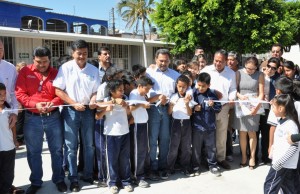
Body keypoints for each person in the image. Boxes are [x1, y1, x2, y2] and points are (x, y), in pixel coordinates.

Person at [15, 46, 66, 194]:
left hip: (53, 117)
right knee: (33, 152)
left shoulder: (56, 73)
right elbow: (20, 93)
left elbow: (61, 93)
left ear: (49, 60)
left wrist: (54, 103)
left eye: (45, 62)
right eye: (38, 62)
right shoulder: (25, 72)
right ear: (33, 59)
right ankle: (36, 182)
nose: (42, 65)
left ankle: (59, 179)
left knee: (56, 150)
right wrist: (34, 104)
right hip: (32, 119)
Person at [53, 39, 100, 192]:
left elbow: (96, 90)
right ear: (72, 53)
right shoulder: (65, 68)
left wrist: (93, 99)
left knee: (89, 145)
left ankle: (87, 175)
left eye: (85, 53)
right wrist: (73, 103)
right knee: (71, 147)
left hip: (88, 111)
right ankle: (73, 178)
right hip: (71, 111)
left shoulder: (93, 69)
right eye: (79, 53)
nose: (82, 56)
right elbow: (58, 90)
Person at [146, 48, 180, 180]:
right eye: (161, 61)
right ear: (155, 59)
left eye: (166, 61)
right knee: (153, 139)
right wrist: (157, 97)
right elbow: (144, 90)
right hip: (153, 108)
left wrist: (170, 100)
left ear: (169, 60)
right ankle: (152, 168)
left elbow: (178, 93)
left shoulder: (175, 75)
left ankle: (163, 167)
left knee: (165, 139)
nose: (163, 63)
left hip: (168, 109)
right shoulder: (149, 73)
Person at [201, 49, 237, 170]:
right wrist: (213, 93)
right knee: (208, 134)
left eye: (221, 61)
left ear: (226, 61)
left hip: (223, 107)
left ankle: (221, 158)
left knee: (222, 134)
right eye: (216, 61)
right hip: (208, 107)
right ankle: (208, 159)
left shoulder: (231, 73)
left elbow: (233, 89)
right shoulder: (206, 70)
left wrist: (232, 98)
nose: (218, 63)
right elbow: (199, 86)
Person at [96, 79, 133, 194]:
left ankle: (126, 181)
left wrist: (126, 107)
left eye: (123, 89)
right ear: (112, 91)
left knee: (125, 159)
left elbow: (129, 114)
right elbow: (97, 116)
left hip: (124, 132)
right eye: (119, 90)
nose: (122, 92)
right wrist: (106, 109)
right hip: (111, 134)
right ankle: (112, 183)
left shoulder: (125, 99)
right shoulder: (105, 101)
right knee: (112, 160)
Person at [264, 94, 300, 194]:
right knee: (288, 189)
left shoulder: (290, 125)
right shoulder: (281, 122)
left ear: (280, 108)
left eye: (273, 107)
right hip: (282, 163)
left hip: (281, 164)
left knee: (269, 186)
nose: (272, 108)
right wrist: (273, 149)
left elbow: (294, 147)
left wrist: (279, 163)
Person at [233, 57, 264, 169]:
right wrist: (239, 95)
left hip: (253, 106)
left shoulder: (260, 75)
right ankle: (244, 157)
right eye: (248, 68)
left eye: (252, 69)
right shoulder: (238, 73)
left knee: (252, 132)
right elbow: (234, 89)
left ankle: (252, 157)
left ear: (256, 67)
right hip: (241, 105)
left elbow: (261, 93)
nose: (250, 71)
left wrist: (256, 107)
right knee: (241, 132)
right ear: (244, 64)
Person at [192, 72, 222, 176]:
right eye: (199, 85)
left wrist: (213, 105)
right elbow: (188, 107)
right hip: (197, 125)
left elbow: (219, 108)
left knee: (211, 147)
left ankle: (212, 165)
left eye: (203, 86)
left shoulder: (212, 94)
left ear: (209, 85)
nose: (200, 88)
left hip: (210, 126)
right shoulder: (194, 93)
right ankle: (195, 166)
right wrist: (194, 108)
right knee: (196, 147)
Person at [128, 76, 154, 188]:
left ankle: (144, 172)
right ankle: (137, 176)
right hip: (137, 125)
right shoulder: (134, 93)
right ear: (140, 86)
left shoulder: (142, 95)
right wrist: (142, 105)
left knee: (144, 150)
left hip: (143, 123)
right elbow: (131, 108)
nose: (147, 91)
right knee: (138, 151)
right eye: (146, 89)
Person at [166, 75, 194, 177]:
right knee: (173, 146)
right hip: (176, 123)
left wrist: (187, 104)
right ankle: (170, 168)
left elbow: (190, 114)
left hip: (186, 123)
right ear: (176, 86)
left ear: (187, 87)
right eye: (179, 86)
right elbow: (169, 113)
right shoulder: (173, 96)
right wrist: (171, 106)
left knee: (186, 147)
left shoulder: (189, 97)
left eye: (184, 87)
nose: (181, 89)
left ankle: (185, 167)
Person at [0, 83, 23, 194]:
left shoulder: (9, 110)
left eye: (4, 94)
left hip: (9, 147)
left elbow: (13, 127)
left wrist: (15, 140)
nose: (2, 97)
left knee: (8, 173)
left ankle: (7, 189)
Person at [226, 51, 240, 162]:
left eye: (232, 59)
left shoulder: (239, 72)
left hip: (240, 104)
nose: (230, 62)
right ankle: (228, 152)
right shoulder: (225, 72)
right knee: (228, 128)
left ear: (236, 61)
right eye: (228, 59)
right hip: (228, 105)